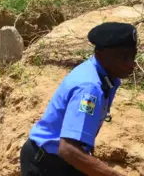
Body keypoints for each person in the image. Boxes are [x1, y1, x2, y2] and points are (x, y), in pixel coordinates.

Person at [21, 22, 138, 176]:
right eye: (123, 57)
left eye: (133, 56)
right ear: (101, 54)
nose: (131, 64)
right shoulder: (90, 88)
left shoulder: (107, 78)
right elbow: (68, 149)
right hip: (46, 164)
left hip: (64, 160)